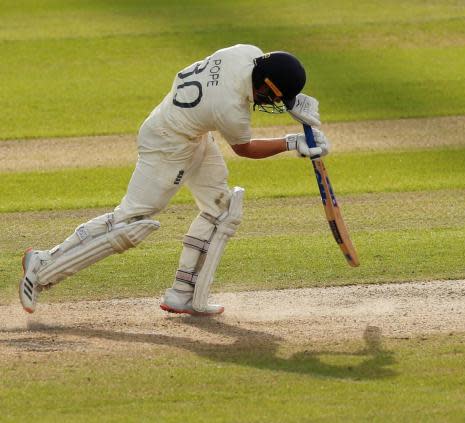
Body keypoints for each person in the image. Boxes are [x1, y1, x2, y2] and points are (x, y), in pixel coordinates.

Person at [19, 44, 330, 316]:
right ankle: (44, 265)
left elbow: (256, 88)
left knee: (221, 208)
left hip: (190, 132)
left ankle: (183, 294)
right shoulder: (229, 108)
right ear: (263, 84)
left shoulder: (246, 53)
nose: (268, 102)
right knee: (131, 223)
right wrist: (290, 142)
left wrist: (294, 103)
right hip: (167, 143)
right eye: (272, 96)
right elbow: (245, 149)